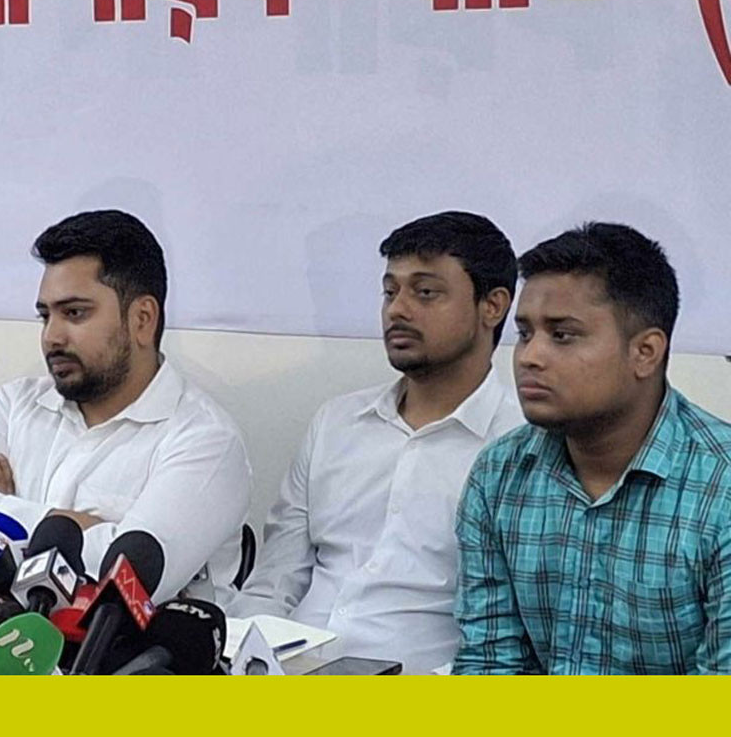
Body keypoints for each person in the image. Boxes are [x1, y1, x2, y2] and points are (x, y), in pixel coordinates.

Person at [229, 211, 524, 674]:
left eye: (425, 292)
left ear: (493, 306)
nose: (397, 310)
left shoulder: (523, 448)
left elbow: (510, 636)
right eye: (390, 292)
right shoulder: (336, 423)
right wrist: (241, 659)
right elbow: (275, 581)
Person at [0, 209, 252, 602]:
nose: (51, 336)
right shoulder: (13, 405)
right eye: (45, 315)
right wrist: (88, 528)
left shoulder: (206, 440)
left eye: (74, 313)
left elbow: (130, 582)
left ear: (142, 319)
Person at [454, 223, 731, 674]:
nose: (529, 357)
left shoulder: (720, 486)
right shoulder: (499, 474)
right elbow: (489, 662)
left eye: (562, 335)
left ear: (645, 352)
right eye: (524, 334)